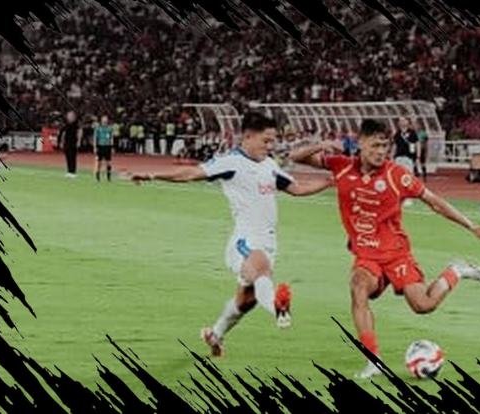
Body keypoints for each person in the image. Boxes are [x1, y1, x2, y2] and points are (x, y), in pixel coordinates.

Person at [290, 119, 480, 379]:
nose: (381, 152)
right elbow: (297, 157)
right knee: (358, 287)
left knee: (423, 305)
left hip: (396, 254)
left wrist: (470, 225)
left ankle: (456, 271)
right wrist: (323, 144)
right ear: (360, 143)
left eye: (385, 146)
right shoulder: (342, 166)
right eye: (375, 145)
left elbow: (434, 202)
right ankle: (373, 361)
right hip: (367, 256)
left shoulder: (397, 175)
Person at [129, 112, 333, 357]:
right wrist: (152, 174)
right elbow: (191, 173)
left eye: (273, 141)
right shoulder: (231, 162)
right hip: (245, 240)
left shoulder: (269, 165)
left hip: (269, 241)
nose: (270, 146)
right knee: (261, 269)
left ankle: (215, 334)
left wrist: (331, 181)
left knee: (246, 301)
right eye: (266, 141)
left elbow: (297, 188)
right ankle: (279, 308)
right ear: (247, 137)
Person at [57, 111, 82, 178]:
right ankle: (69, 171)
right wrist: (61, 142)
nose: (69, 117)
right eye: (68, 116)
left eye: (71, 116)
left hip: (73, 142)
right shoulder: (65, 125)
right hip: (67, 143)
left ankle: (73, 171)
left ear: (74, 117)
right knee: (67, 157)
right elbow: (63, 134)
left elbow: (79, 132)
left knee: (73, 157)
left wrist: (79, 141)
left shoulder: (77, 125)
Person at [93, 115, 114, 182]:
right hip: (100, 146)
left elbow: (111, 137)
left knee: (108, 162)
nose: (104, 121)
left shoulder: (110, 128)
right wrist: (95, 147)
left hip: (107, 146)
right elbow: (95, 138)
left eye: (105, 120)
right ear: (101, 121)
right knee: (99, 162)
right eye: (103, 120)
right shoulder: (98, 128)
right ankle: (98, 175)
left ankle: (108, 176)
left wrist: (112, 146)